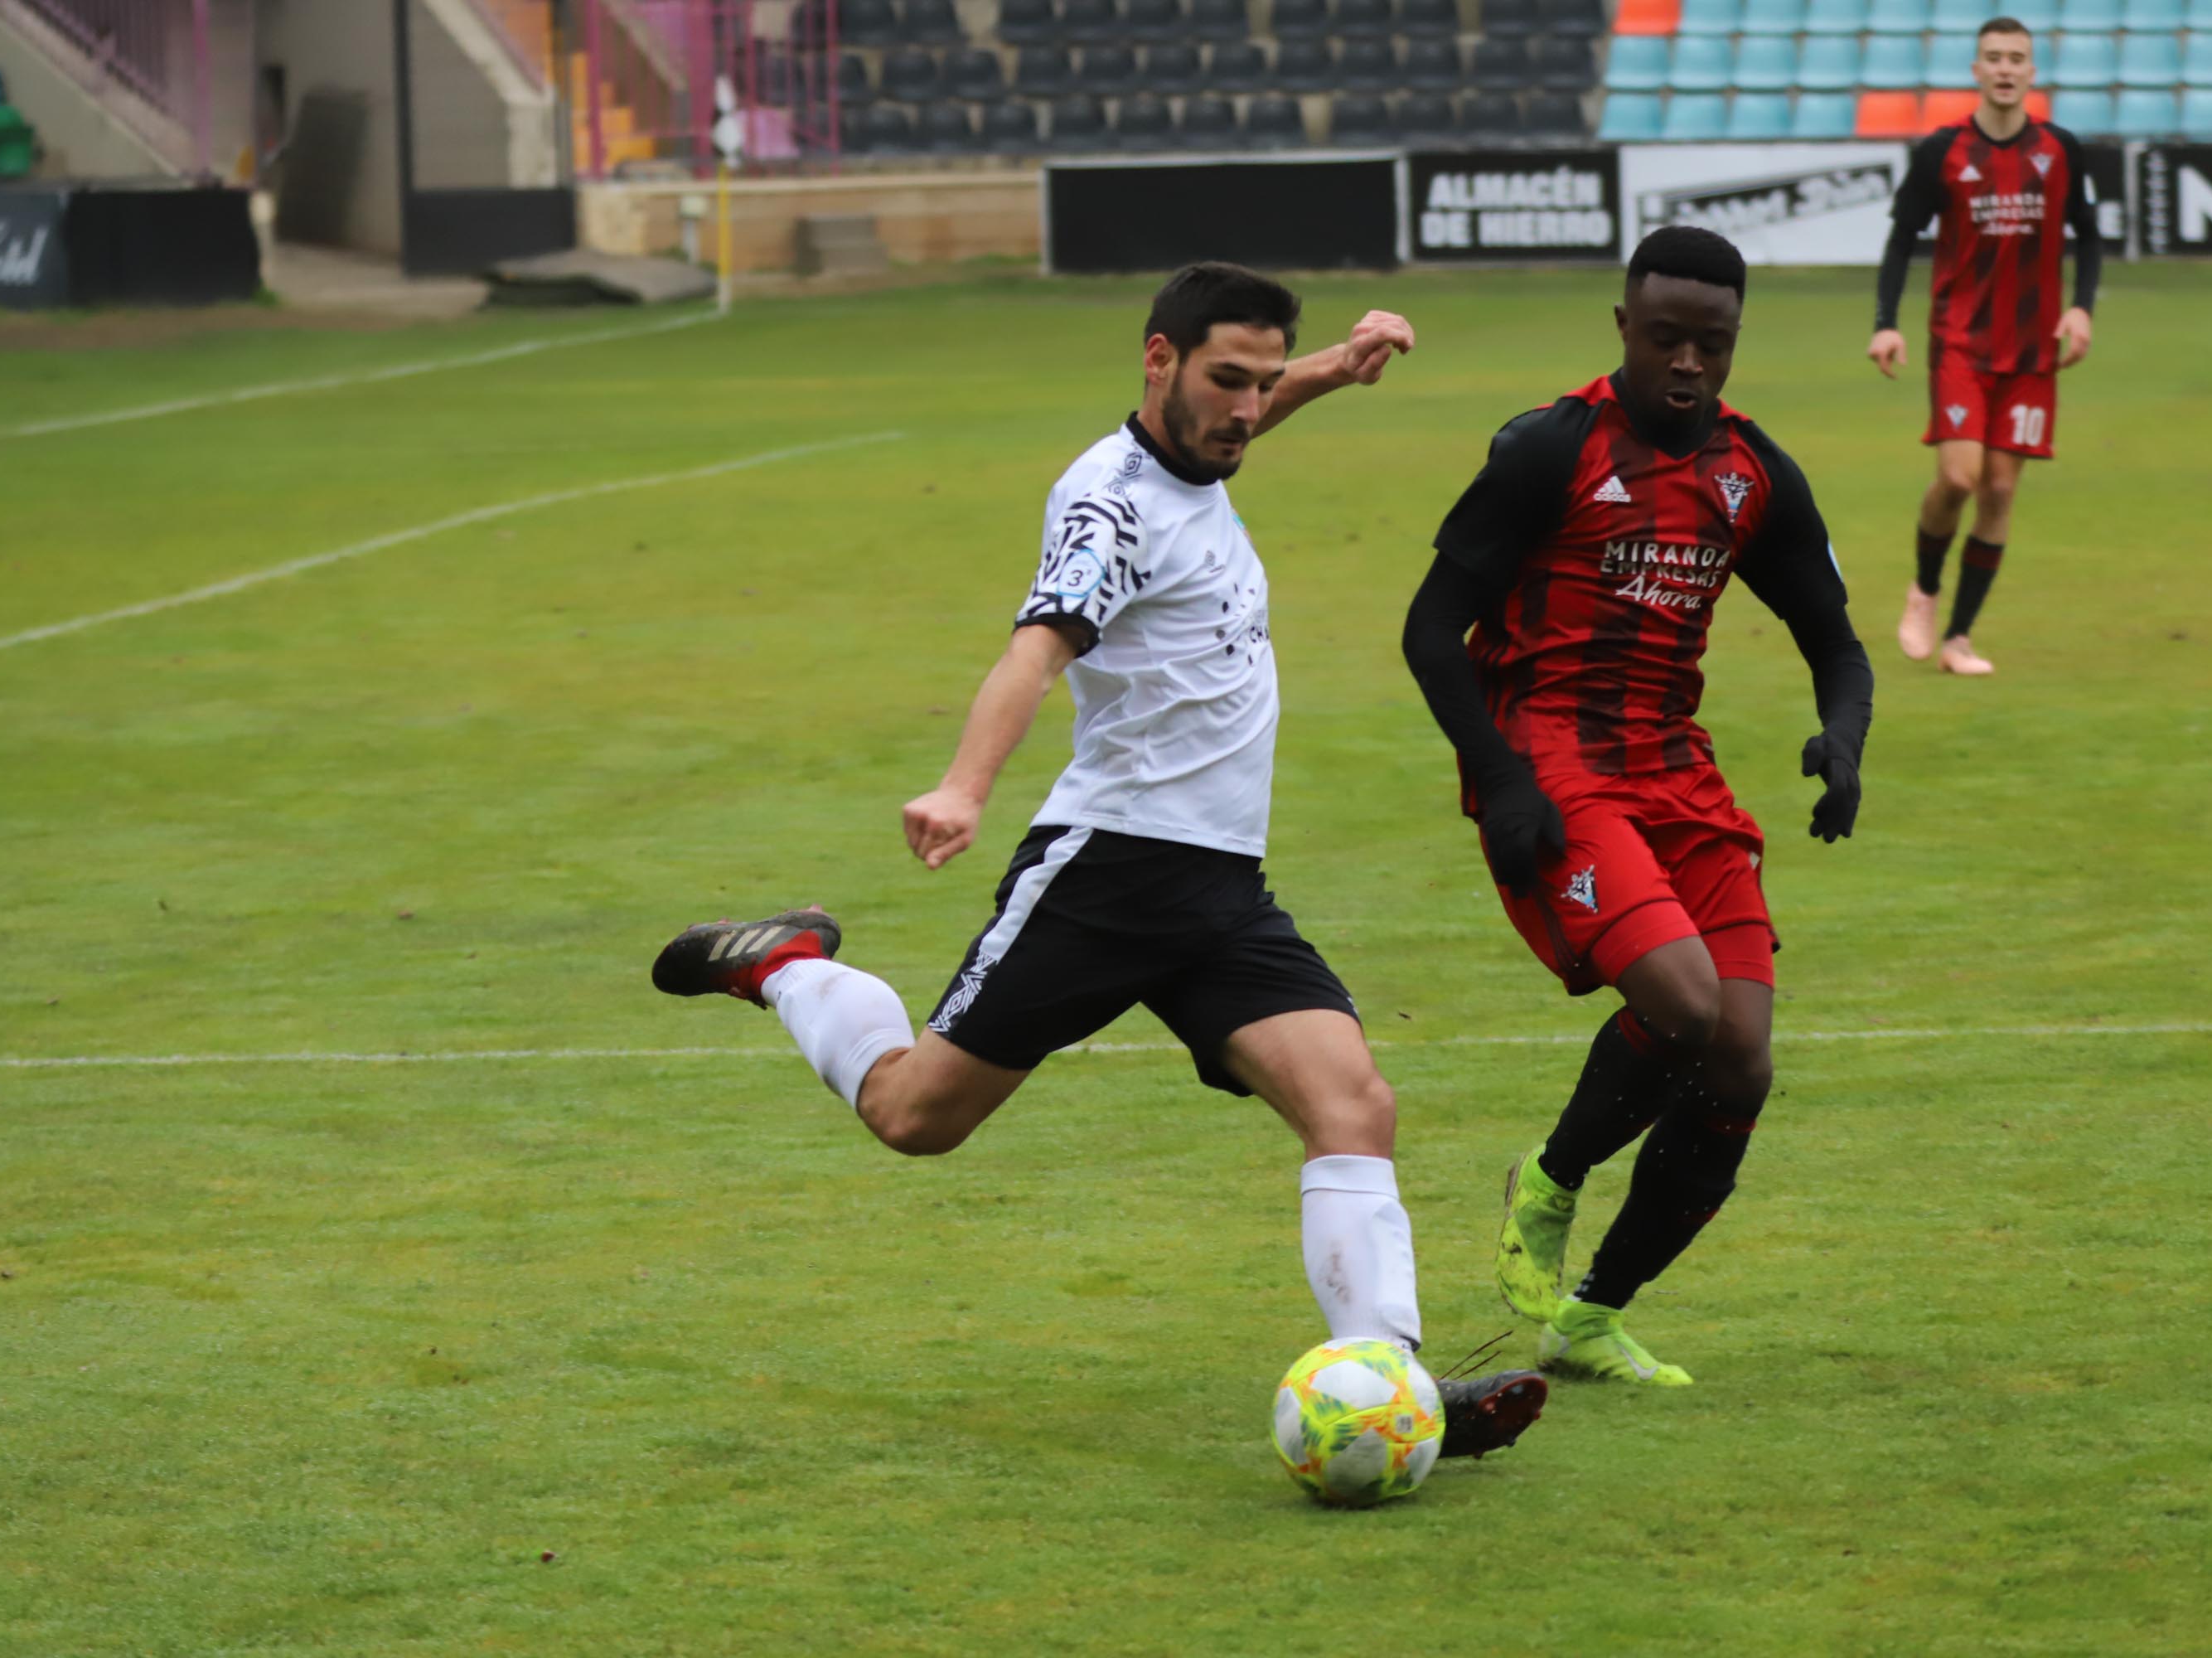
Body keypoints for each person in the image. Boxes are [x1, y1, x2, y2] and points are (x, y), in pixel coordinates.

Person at [651, 262, 1547, 1458]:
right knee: (915, 1115)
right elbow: (1035, 650)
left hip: (1220, 890)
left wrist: (1330, 369)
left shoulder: (1201, 451)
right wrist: (963, 788)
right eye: (1227, 379)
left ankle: (1391, 1384)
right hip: (1109, 872)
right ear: (1157, 358)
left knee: (1353, 1104)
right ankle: (790, 965)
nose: (1246, 409)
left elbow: (1229, 431)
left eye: (1262, 382)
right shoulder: (1107, 510)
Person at [1401, 225, 1874, 1388]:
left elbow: (1835, 640)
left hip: (1675, 771)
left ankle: (1590, 1316)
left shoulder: (1753, 473)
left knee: (1742, 1062)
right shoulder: (1548, 449)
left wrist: (1843, 741)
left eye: (1712, 343)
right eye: (1665, 338)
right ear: (1624, 327)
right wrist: (1499, 776)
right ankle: (1548, 1183)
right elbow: (1430, 630)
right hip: (1552, 758)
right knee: (1684, 1001)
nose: (1687, 363)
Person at [1869, 15, 2102, 677]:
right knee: (1958, 478)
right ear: (1976, 70)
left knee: (1999, 489)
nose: (2005, 68)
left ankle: (1959, 640)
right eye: (1994, 57)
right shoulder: (1942, 151)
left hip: (2032, 352)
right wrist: (1886, 321)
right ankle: (1924, 590)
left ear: (2032, 71)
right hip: (1960, 343)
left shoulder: (2060, 149)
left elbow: (2088, 234)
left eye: (2016, 58)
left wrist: (2081, 309)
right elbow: (1901, 238)